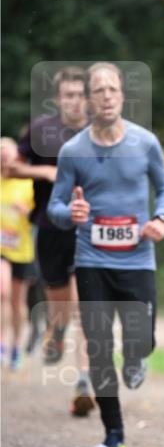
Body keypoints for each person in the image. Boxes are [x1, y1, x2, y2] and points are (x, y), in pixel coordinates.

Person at [48, 62, 164, 447]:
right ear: (87, 99)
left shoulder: (145, 143)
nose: (106, 96)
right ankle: (114, 433)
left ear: (122, 95)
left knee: (142, 338)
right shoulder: (74, 151)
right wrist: (73, 214)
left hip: (138, 260)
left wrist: (160, 218)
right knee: (100, 347)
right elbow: (55, 206)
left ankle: (137, 357)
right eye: (98, 90)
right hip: (92, 261)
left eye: (113, 89)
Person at [13, 66, 95, 414]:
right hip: (49, 227)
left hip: (90, 228)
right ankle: (56, 329)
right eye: (69, 95)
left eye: (81, 95)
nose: (75, 101)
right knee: (61, 304)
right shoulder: (41, 129)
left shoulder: (100, 132)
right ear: (58, 98)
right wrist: (43, 171)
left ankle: (85, 381)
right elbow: (11, 167)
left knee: (85, 305)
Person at [0, 137, 35, 370]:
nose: (3, 156)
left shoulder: (28, 182)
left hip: (22, 249)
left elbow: (41, 213)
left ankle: (15, 346)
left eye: (7, 152)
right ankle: (1, 343)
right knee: (2, 293)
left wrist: (29, 212)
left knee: (17, 302)